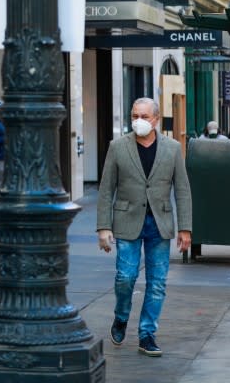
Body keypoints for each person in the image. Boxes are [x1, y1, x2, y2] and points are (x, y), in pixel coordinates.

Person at [96, 97, 192, 357]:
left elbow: (182, 190)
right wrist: (103, 227)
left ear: (156, 119)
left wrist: (186, 228)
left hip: (159, 224)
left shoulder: (172, 149)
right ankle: (121, 315)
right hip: (126, 222)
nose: (138, 121)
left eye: (144, 116)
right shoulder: (117, 147)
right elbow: (106, 190)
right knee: (125, 277)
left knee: (157, 283)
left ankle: (147, 333)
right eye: (134, 115)